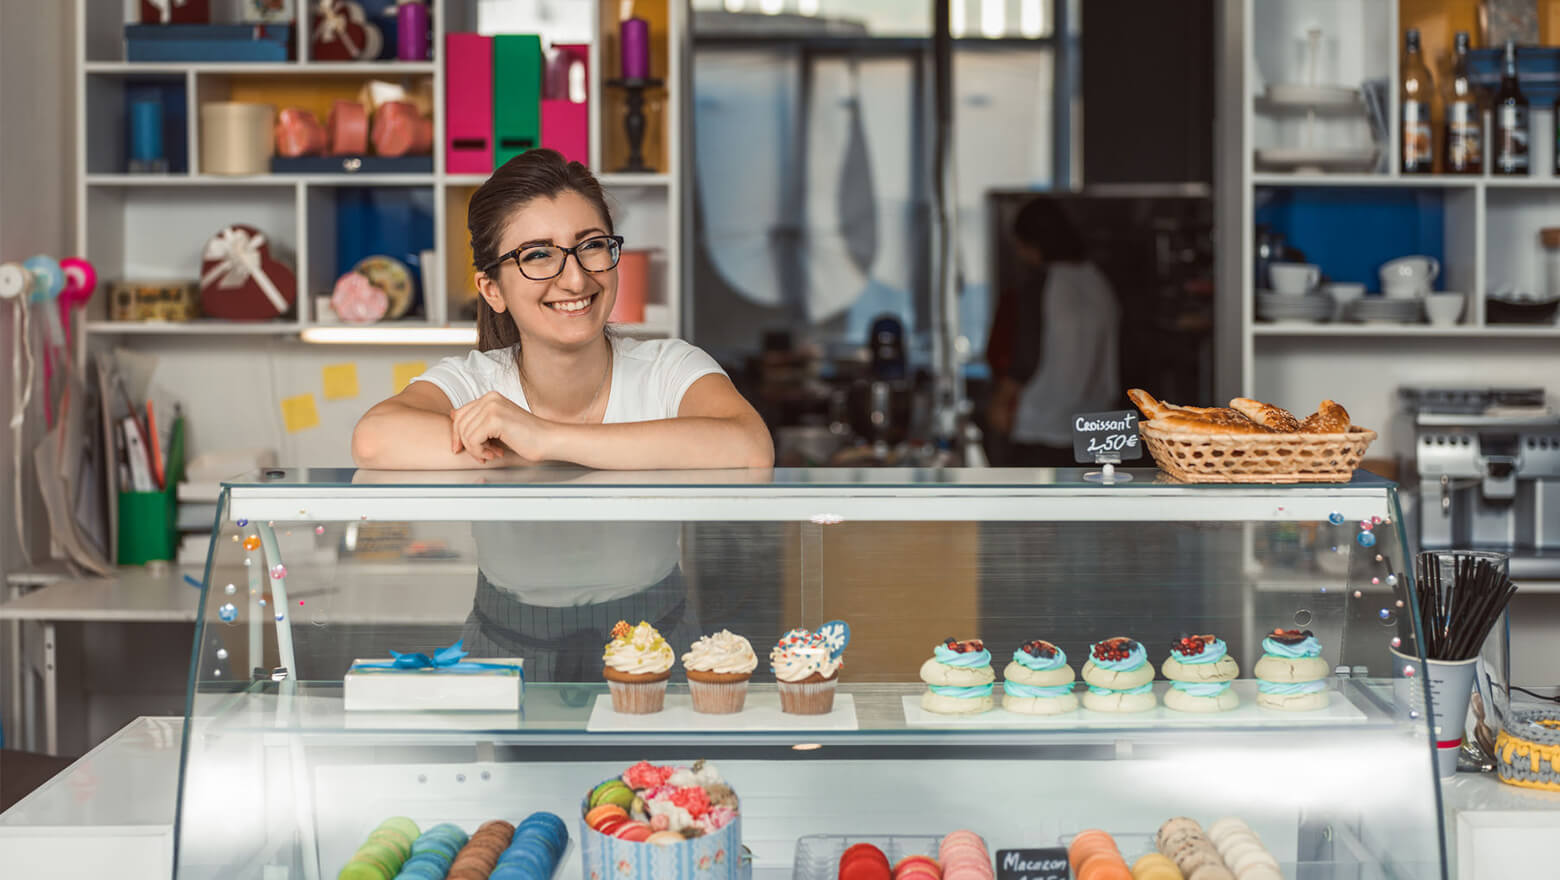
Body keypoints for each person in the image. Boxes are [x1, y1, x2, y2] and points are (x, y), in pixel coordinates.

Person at [351, 149, 773, 679]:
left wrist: (544, 438)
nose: (575, 280)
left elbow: (747, 446)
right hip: (505, 647)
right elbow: (375, 438)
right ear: (492, 289)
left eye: (591, 247)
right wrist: (545, 447)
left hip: (656, 643)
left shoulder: (670, 367)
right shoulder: (475, 380)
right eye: (537, 255)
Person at [986, 199, 1120, 467]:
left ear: (1034, 245)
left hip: (1045, 426)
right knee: (1100, 506)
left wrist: (1001, 401)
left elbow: (1025, 353)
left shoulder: (1042, 284)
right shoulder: (1099, 281)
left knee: (1041, 507)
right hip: (1103, 427)